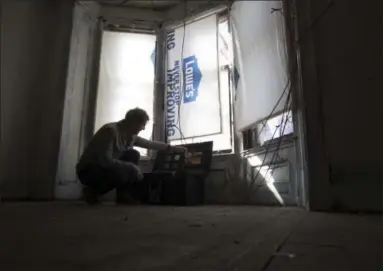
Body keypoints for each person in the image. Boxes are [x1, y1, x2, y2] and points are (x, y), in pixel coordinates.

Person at [76, 107, 186, 205]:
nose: (143, 128)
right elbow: (105, 161)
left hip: (106, 167)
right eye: (142, 125)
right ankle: (92, 192)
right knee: (125, 170)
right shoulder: (110, 131)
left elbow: (149, 144)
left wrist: (172, 148)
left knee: (132, 155)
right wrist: (131, 167)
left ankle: (123, 196)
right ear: (133, 123)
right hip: (89, 170)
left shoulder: (130, 135)